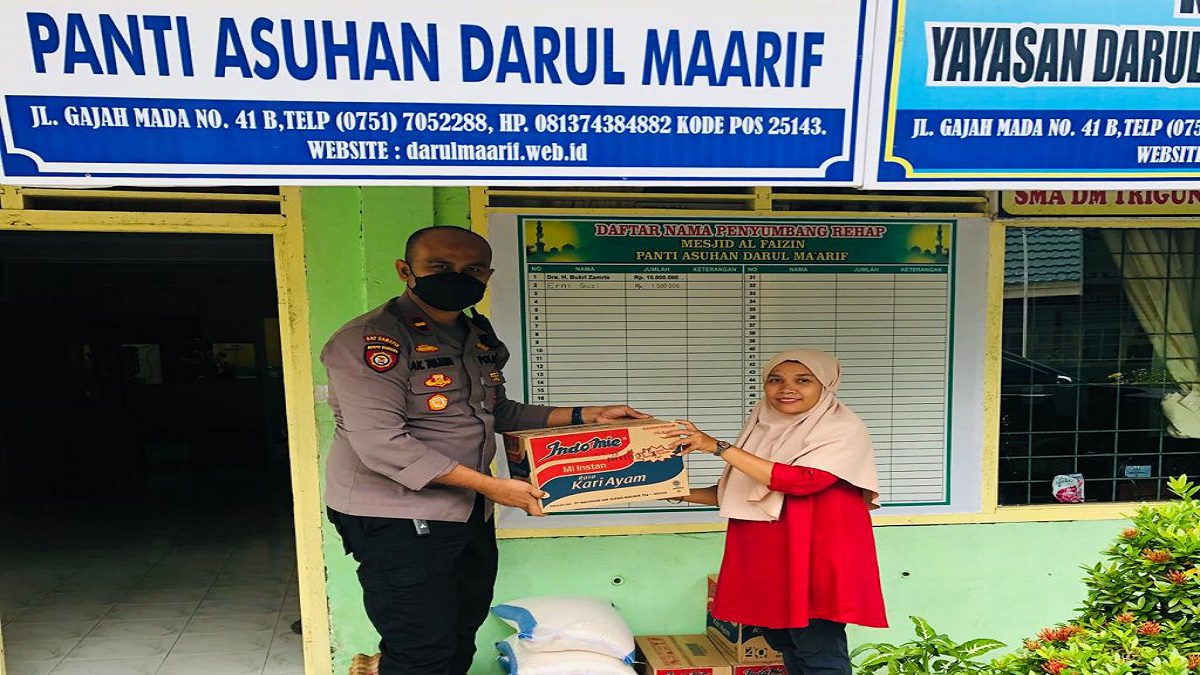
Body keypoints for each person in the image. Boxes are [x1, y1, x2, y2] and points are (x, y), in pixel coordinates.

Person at [322, 226, 645, 675]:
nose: (457, 276)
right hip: (395, 515)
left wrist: (585, 415)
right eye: (440, 266)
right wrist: (493, 487)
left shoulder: (475, 335)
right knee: (421, 651)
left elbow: (497, 411)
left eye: (472, 269)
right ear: (404, 270)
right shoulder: (371, 339)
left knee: (459, 635)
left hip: (467, 509)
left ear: (487, 275)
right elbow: (381, 442)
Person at [663, 349, 887, 675]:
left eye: (803, 380)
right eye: (775, 380)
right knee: (784, 642)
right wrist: (666, 491)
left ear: (825, 385)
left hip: (814, 554)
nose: (786, 388)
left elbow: (803, 481)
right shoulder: (762, 426)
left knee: (818, 646)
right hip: (768, 554)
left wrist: (719, 447)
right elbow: (737, 491)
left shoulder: (841, 428)